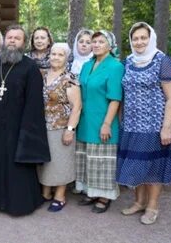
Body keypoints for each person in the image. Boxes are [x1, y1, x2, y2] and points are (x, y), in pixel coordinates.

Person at [0, 25, 50, 216]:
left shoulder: (30, 67)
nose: (12, 40)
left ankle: (18, 203)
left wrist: (28, 130)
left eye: (17, 38)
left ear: (24, 43)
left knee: (16, 166)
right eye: (9, 37)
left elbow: (35, 102)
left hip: (18, 125)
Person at [116, 22, 171, 225]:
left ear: (151, 39)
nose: (139, 42)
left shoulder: (162, 61)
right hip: (131, 125)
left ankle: (152, 206)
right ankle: (139, 202)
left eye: (143, 38)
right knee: (136, 164)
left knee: (152, 168)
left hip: (154, 126)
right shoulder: (128, 62)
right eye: (135, 38)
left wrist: (166, 127)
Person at [75, 30, 124, 213]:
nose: (95, 45)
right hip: (86, 119)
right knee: (88, 157)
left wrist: (106, 123)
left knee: (103, 160)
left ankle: (104, 195)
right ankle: (91, 191)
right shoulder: (88, 65)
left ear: (110, 46)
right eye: (94, 42)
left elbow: (115, 98)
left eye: (100, 42)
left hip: (103, 119)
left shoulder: (115, 66)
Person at [37, 43, 82, 212]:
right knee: (46, 162)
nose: (55, 57)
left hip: (61, 127)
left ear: (66, 58)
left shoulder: (70, 78)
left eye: (60, 55)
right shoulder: (42, 75)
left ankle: (60, 196)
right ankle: (45, 193)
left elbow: (77, 107)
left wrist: (70, 130)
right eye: (53, 54)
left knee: (60, 162)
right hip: (42, 126)